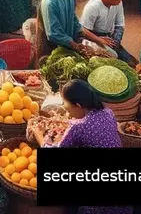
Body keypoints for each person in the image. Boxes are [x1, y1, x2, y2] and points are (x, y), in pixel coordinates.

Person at [50, 80, 130, 214]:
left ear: (78, 105)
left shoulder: (78, 126)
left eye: (65, 102)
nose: (64, 106)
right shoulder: (108, 113)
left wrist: (45, 141)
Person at [38, 0, 111, 58]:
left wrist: (97, 39)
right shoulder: (49, 2)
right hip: (54, 45)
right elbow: (53, 33)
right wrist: (73, 44)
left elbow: (74, 21)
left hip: (69, 41)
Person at [80, 0, 136, 65]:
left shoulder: (118, 2)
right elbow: (83, 30)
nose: (119, 3)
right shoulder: (92, 7)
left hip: (108, 37)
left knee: (131, 62)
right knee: (112, 60)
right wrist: (99, 40)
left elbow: (119, 24)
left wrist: (116, 41)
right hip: (92, 37)